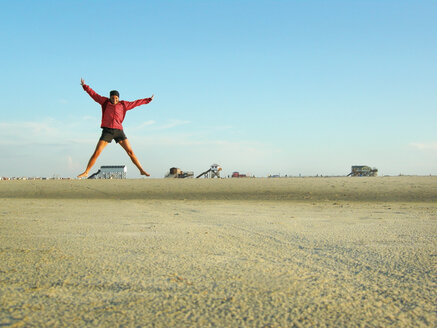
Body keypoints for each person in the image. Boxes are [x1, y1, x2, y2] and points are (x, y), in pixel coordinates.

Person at [77, 78, 154, 178]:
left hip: (119, 131)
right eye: (113, 98)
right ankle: (86, 172)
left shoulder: (123, 105)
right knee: (97, 152)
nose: (114, 100)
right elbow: (94, 95)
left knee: (130, 152)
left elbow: (135, 103)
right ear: (110, 98)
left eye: (116, 98)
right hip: (107, 131)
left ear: (118, 98)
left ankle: (141, 170)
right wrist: (85, 86)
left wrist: (147, 100)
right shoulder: (104, 102)